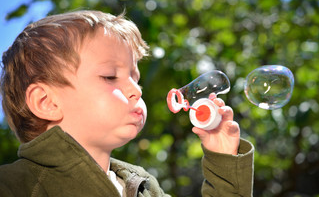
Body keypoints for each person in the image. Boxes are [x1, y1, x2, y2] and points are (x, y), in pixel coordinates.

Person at [0, 10, 254, 197]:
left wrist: (224, 159)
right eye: (110, 76)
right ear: (46, 102)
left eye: (136, 79)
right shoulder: (14, 185)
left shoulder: (144, 188)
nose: (136, 90)